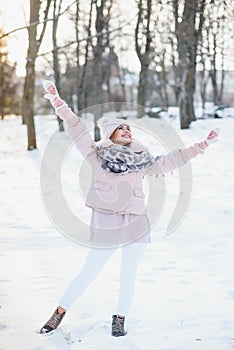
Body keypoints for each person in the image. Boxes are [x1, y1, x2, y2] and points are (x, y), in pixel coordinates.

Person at [39, 80, 220, 336]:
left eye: (128, 128)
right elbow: (77, 129)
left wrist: (201, 146)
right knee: (89, 271)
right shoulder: (97, 155)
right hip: (107, 221)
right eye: (120, 128)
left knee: (128, 275)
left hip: (135, 221)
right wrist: (59, 104)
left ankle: (119, 320)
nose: (126, 130)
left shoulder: (141, 160)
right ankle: (59, 312)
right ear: (110, 134)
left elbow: (169, 160)